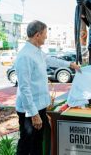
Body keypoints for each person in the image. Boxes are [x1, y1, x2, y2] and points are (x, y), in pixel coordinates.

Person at [15, 20, 81, 155]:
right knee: (26, 146)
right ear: (37, 35)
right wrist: (34, 114)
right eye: (45, 34)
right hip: (30, 110)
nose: (46, 36)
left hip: (39, 107)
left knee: (37, 144)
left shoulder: (37, 51)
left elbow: (51, 60)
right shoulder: (25, 56)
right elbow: (24, 88)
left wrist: (70, 65)